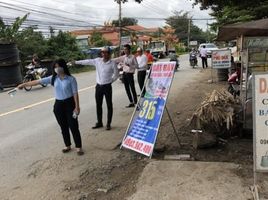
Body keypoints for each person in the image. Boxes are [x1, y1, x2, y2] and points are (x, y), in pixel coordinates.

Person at [17, 59, 84, 155]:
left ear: (63, 66)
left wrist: (77, 107)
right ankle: (67, 145)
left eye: (59, 66)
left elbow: (75, 93)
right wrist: (24, 84)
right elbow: (37, 81)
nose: (57, 69)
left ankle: (78, 147)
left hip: (70, 104)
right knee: (63, 126)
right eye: (55, 67)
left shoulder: (71, 79)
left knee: (73, 126)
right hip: (58, 105)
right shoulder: (53, 78)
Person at [73, 47, 119, 130]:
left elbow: (116, 75)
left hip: (107, 86)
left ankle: (108, 123)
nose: (104, 54)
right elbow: (87, 61)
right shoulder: (97, 61)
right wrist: (76, 62)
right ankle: (99, 122)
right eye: (103, 52)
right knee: (98, 105)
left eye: (106, 52)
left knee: (109, 105)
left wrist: (110, 81)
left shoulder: (112, 63)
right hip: (98, 87)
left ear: (109, 54)